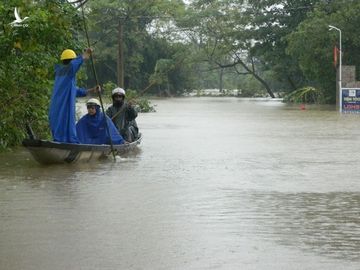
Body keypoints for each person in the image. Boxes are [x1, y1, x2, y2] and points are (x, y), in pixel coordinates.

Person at [49, 48, 99, 143]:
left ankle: (65, 143)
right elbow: (73, 66)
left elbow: (76, 91)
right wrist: (84, 55)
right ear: (71, 61)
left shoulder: (64, 76)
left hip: (56, 109)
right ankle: (66, 143)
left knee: (63, 130)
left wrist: (92, 90)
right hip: (61, 109)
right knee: (63, 130)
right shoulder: (67, 71)